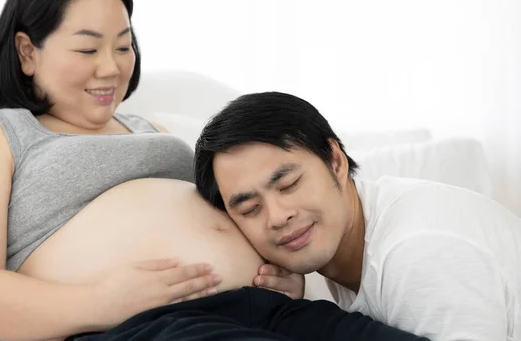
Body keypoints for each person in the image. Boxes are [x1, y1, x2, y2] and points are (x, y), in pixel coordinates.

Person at [0, 0, 429, 341]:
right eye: (87, 47)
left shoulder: (152, 129)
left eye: (124, 45)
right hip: (148, 327)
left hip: (269, 310)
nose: (112, 67)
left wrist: (282, 276)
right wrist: (100, 302)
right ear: (28, 51)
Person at [193, 90, 521, 341]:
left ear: (336, 161)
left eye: (289, 184)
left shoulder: (418, 250)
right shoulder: (331, 257)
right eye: (250, 209)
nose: (277, 217)